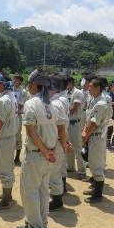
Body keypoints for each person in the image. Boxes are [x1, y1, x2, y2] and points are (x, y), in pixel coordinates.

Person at [17, 69, 57, 228]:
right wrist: (50, 151)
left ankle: (34, 224)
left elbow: (31, 132)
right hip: (48, 154)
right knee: (42, 190)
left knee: (30, 191)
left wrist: (45, 151)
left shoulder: (31, 103)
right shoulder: (49, 104)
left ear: (34, 84)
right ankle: (42, 222)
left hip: (36, 154)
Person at [0, 73, 18, 211]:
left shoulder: (4, 100)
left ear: (3, 84)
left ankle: (7, 200)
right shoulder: (11, 97)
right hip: (9, 137)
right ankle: (7, 195)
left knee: (4, 168)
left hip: (4, 138)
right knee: (8, 166)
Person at [82, 77, 108, 203]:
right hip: (93, 136)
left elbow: (94, 124)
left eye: (91, 86)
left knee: (96, 165)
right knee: (92, 163)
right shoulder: (94, 100)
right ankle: (95, 190)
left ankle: (98, 194)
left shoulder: (101, 103)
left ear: (98, 88)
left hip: (96, 136)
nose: (88, 88)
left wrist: (85, 136)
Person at [49, 74, 71, 211]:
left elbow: (61, 127)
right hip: (57, 140)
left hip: (57, 141)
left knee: (54, 173)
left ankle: (57, 200)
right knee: (54, 172)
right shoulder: (58, 100)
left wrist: (64, 143)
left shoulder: (57, 103)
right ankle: (56, 198)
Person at [66, 76, 86, 179]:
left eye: (67, 83)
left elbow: (74, 107)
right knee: (69, 145)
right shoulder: (66, 93)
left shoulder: (77, 92)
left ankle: (82, 170)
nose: (65, 85)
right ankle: (70, 166)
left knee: (78, 147)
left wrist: (63, 113)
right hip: (68, 123)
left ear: (72, 83)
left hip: (75, 123)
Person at [12, 73, 28, 165]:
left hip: (17, 116)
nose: (14, 81)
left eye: (16, 79)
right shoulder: (10, 89)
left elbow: (20, 105)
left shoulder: (23, 91)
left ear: (20, 81)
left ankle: (17, 157)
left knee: (17, 136)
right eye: (14, 79)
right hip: (10, 116)